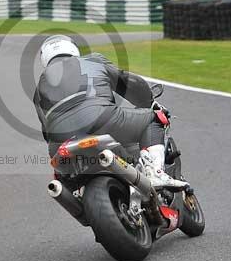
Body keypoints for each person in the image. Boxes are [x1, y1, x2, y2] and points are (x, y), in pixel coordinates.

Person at [33, 35, 188, 190]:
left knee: (63, 179)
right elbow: (128, 83)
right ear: (73, 49)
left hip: (60, 143)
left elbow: (46, 131)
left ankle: (71, 193)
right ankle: (155, 173)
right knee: (154, 119)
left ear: (45, 58)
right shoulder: (93, 60)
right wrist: (148, 102)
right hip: (102, 120)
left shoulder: (39, 87)